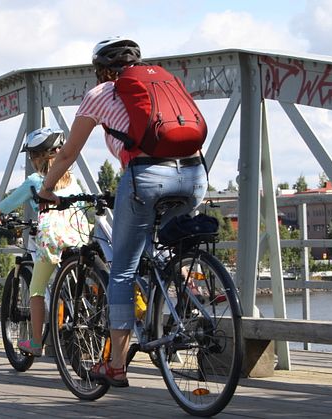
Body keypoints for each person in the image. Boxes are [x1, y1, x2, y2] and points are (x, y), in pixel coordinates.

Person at [37, 37, 207, 387]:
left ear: (101, 70)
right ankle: (187, 303)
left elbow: (68, 153)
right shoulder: (164, 85)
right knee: (167, 249)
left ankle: (116, 365)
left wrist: (47, 188)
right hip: (194, 175)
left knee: (123, 271)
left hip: (146, 178)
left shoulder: (100, 94)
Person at [0, 127, 89, 357]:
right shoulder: (74, 182)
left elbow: (9, 202)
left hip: (52, 238)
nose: (30, 159)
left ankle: (35, 342)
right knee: (75, 277)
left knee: (37, 290)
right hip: (77, 235)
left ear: (37, 156)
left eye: (32, 155)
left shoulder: (34, 181)